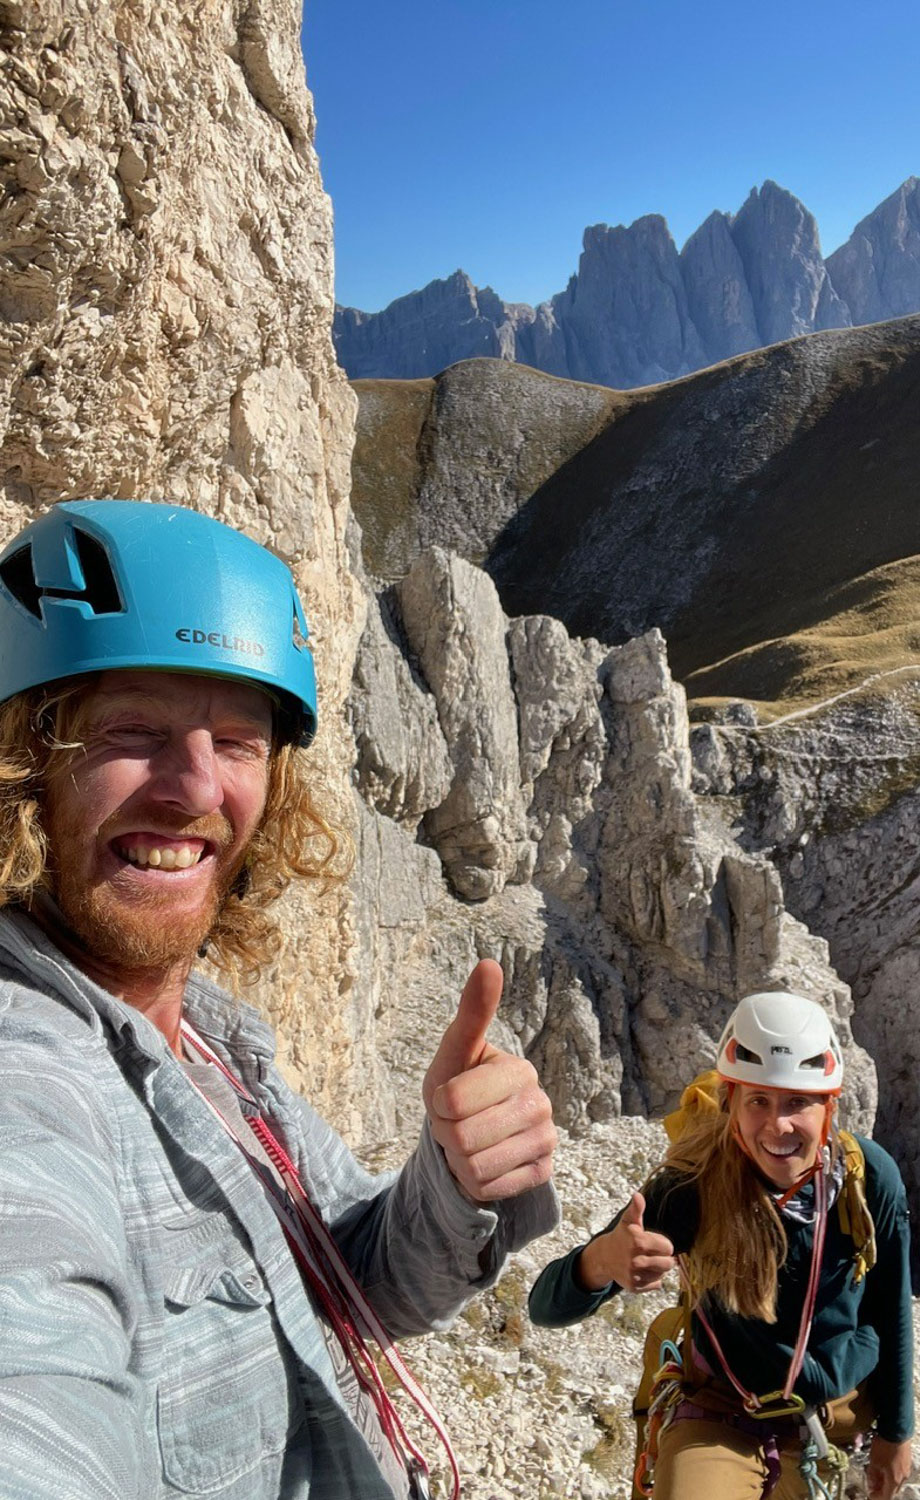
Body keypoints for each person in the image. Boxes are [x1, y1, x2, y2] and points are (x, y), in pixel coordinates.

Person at [0, 499, 559, 1500]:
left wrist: (454, 1179)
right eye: (133, 730)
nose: (194, 787)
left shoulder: (212, 1049)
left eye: (239, 741)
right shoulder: (27, 1076)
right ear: (25, 760)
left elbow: (360, 1280)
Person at [529, 990, 913, 1500]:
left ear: (830, 1107)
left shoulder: (868, 1178)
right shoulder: (693, 1186)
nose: (779, 1125)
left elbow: (891, 1303)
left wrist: (897, 1432)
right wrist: (602, 1261)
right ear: (730, 1102)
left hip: (835, 1418)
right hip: (722, 1414)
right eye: (759, 1101)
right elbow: (544, 1307)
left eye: (798, 1102)